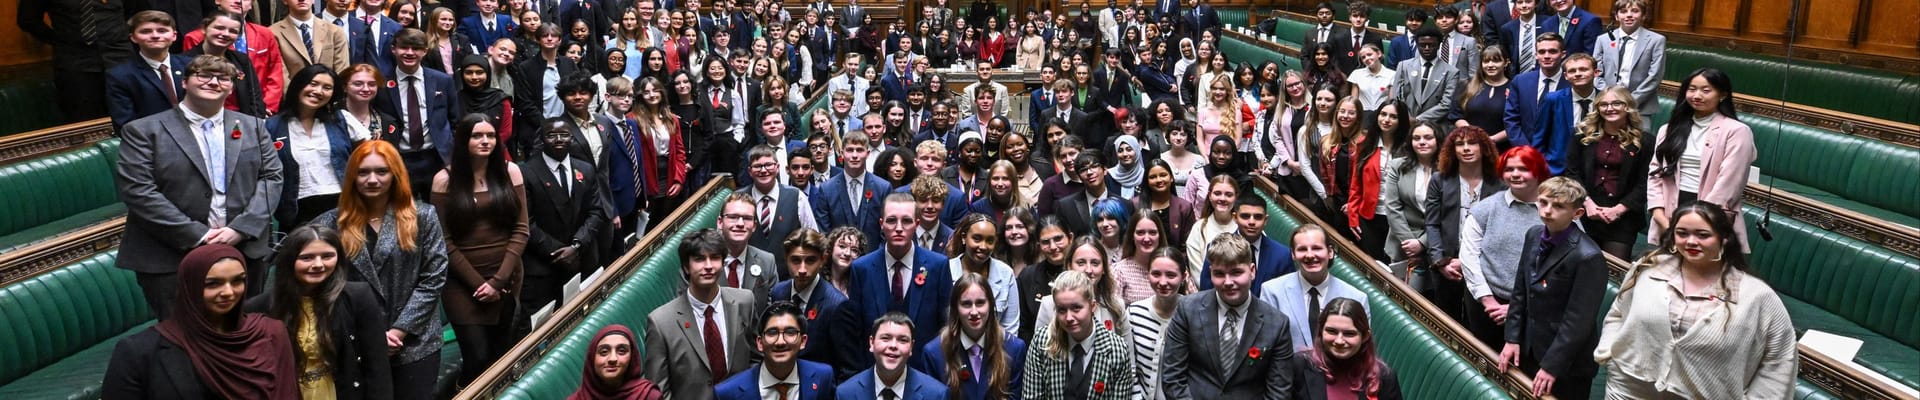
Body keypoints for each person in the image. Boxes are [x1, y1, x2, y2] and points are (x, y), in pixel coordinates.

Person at [116, 55, 285, 319]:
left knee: (245, 329)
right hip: (171, 255)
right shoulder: (143, 130)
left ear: (231, 87)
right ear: (184, 82)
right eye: (203, 75)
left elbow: (271, 178)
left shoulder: (253, 126)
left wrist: (241, 228)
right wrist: (200, 235)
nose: (213, 82)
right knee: (182, 340)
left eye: (223, 78)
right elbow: (138, 191)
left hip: (244, 248)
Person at [1595, 202, 1797, 398]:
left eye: (1703, 235)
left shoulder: (1756, 296)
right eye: (1682, 233)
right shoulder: (1648, 268)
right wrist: (1609, 353)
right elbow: (1618, 313)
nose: (1691, 241)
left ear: (1724, 238)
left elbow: (1779, 359)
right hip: (1628, 389)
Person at [313, 140, 450, 400]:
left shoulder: (424, 216)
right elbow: (323, 286)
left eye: (381, 172)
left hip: (414, 342)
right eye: (363, 172)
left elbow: (433, 279)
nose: (372, 179)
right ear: (352, 176)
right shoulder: (329, 223)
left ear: (395, 174)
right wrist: (374, 337)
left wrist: (399, 331)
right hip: (357, 344)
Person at [101, 244, 300, 400]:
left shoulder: (271, 332)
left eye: (237, 281)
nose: (229, 292)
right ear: (190, 287)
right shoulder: (138, 352)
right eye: (213, 284)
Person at [429, 113, 529, 386]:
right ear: (463, 140)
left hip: (505, 276)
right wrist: (480, 284)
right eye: (477, 135)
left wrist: (498, 281)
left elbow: (521, 230)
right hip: (463, 283)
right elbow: (443, 240)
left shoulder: (511, 171)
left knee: (501, 354)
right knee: (476, 356)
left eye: (490, 135)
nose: (485, 141)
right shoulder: (444, 179)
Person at [1490, 176, 1606, 399]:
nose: (1547, 210)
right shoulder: (1533, 234)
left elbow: (1577, 322)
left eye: (1559, 206)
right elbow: (1520, 291)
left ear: (1578, 213)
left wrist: (1553, 365)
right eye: (1543, 202)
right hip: (1529, 347)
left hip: (1567, 362)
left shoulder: (1588, 256)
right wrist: (1512, 337)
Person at [247, 226, 394, 399]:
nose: (318, 265)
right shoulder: (260, 306)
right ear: (289, 260)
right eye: (307, 258)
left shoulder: (358, 297)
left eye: (327, 256)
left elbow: (377, 368)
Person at [1161, 233, 1294, 399]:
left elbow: (1279, 392)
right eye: (1219, 274)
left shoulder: (1276, 324)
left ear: (1252, 271)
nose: (1228, 281)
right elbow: (1173, 378)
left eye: (1236, 272)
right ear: (1210, 273)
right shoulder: (1188, 309)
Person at [841, 193, 955, 372]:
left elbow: (945, 326)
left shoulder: (937, 266)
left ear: (917, 225)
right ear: (881, 224)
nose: (899, 228)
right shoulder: (861, 269)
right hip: (875, 372)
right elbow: (856, 330)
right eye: (892, 220)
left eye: (907, 221)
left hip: (924, 373)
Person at [1647, 68, 1756, 251]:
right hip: (1670, 210)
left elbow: (1729, 184)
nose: (1697, 95)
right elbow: (1655, 174)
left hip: (1711, 215)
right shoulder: (1668, 129)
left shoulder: (1737, 131)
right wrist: (1660, 217)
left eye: (1706, 90)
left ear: (1722, 95)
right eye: (1692, 89)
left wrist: (1693, 225)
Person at [641, 229, 757, 400]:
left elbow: (757, 358)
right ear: (686, 267)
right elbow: (658, 391)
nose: (708, 266)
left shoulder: (745, 301)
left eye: (715, 258)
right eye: (699, 259)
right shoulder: (661, 322)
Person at [1459, 146, 1549, 347]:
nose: (1515, 174)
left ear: (1538, 171)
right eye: (1509, 169)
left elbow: (1565, 267)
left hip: (1537, 309)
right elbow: (1469, 257)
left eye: (1524, 168)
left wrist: (1520, 308)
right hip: (1487, 306)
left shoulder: (1556, 210)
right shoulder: (1485, 208)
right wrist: (1488, 301)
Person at [522, 119, 607, 320]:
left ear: (572, 138)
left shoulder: (585, 168)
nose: (559, 139)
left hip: (582, 259)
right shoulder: (526, 172)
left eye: (564, 134)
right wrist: (559, 252)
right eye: (552, 135)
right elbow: (526, 221)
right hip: (543, 267)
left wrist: (576, 246)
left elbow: (596, 211)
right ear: (542, 139)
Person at [1419, 126, 1502, 321]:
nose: (1466, 148)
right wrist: (1440, 262)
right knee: (1446, 322)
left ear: (1484, 148)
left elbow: (1498, 231)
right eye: (1460, 144)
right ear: (1452, 150)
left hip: (1484, 266)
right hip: (1447, 265)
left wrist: (1467, 263)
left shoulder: (1498, 183)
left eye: (1472, 143)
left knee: (1479, 325)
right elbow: (1431, 224)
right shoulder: (1439, 180)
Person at [1565, 87, 1654, 260]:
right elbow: (1571, 173)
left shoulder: (1645, 141)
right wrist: (1587, 203)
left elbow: (1646, 183)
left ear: (1627, 106)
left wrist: (1618, 210)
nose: (1610, 108)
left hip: (1623, 217)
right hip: (1585, 211)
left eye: (1616, 103)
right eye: (1604, 104)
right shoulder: (1582, 136)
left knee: (1613, 271)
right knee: (1579, 265)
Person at [1021, 271, 1137, 400]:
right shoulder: (1042, 342)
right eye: (1062, 310)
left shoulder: (1117, 350)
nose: (1069, 318)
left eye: (1076, 308)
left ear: (1093, 306)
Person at [912, 274, 1029, 400]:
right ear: (956, 308)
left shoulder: (1014, 349)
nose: (974, 312)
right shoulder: (934, 353)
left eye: (980, 303)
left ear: (990, 305)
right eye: (966, 304)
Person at [269, 64, 358, 231]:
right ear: (299, 85)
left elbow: (369, 152)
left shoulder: (341, 119)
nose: (318, 91)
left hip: (341, 205)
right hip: (295, 210)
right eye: (313, 83)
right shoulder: (272, 126)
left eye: (327, 87)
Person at [380, 29, 463, 198]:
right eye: (404, 47)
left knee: (440, 212)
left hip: (436, 157)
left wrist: (452, 156)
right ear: (393, 49)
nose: (410, 53)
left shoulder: (442, 80)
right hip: (399, 159)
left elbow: (455, 121)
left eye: (416, 48)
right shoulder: (381, 83)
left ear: (425, 51)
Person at [1259, 224, 1369, 350]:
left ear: (1330, 252)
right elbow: (1267, 343)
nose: (1310, 255)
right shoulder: (1272, 291)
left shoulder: (1356, 298)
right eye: (1302, 249)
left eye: (1317, 248)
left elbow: (1361, 349)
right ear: (1293, 254)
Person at [713, 301, 840, 400]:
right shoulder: (728, 393)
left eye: (790, 332)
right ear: (759, 343)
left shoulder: (823, 377)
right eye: (772, 333)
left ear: (803, 341)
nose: (780, 342)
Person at [1288, 297, 1403, 399]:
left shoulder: (1384, 377)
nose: (1339, 341)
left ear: (1365, 336)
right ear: (1321, 332)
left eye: (1349, 334)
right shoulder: (1298, 366)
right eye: (1331, 331)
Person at [838, 312, 951, 400]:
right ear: (871, 343)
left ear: (911, 347)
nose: (893, 345)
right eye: (885, 338)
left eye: (902, 340)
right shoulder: (846, 394)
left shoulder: (936, 395)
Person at [108, 11, 189, 130]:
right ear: (133, 38)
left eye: (162, 30)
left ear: (174, 35)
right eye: (145, 31)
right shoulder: (120, 75)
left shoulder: (191, 65)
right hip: (152, 142)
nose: (155, 35)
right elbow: (125, 124)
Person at [1125, 248, 1189, 400]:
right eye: (1156, 274)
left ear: (1184, 277)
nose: (1162, 282)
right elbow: (1130, 367)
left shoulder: (1193, 314)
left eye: (1171, 275)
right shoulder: (1134, 313)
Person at [182, 12, 272, 118]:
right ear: (204, 29)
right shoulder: (184, 61)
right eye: (219, 28)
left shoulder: (241, 60)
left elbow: (255, 97)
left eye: (233, 31)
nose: (225, 34)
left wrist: (254, 125)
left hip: (241, 122)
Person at [1593, 0, 1666, 130]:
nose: (1629, 15)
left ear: (1643, 15)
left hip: (1640, 107)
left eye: (1635, 11)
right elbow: (1596, 73)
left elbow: (1654, 76)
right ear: (1616, 16)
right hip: (1608, 106)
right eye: (1623, 11)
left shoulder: (1656, 40)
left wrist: (1630, 102)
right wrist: (1610, 98)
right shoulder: (1603, 40)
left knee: (1639, 145)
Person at [946, 214, 1023, 334]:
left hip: (995, 349)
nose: (983, 246)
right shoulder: (946, 270)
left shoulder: (1005, 274)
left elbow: (1010, 330)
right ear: (964, 237)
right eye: (977, 238)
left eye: (990, 241)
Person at [814, 132, 892, 241]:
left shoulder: (883, 188)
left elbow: (887, 230)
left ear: (868, 153)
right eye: (850, 150)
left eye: (859, 150)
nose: (854, 155)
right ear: (842, 153)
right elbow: (824, 233)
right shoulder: (827, 189)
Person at [1530, 53, 1598, 175]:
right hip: (1558, 169)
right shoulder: (1553, 100)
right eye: (1572, 71)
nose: (1577, 73)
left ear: (1596, 72)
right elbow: (1539, 137)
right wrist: (1542, 168)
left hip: (1596, 170)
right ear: (1566, 76)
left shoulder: (1604, 100)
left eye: (1583, 69)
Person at [1382, 122, 1438, 269]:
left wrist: (1422, 243)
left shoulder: (1448, 170)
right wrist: (1410, 243)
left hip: (1437, 244)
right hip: (1402, 244)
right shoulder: (1397, 166)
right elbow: (1392, 207)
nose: (1422, 142)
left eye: (1428, 137)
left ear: (1438, 140)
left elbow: (1448, 213)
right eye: (1417, 138)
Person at [716, 192, 782, 309]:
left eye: (747, 218)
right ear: (720, 222)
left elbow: (773, 311)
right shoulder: (701, 262)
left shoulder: (767, 261)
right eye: (733, 217)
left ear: (754, 226)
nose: (740, 224)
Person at [1503, 31, 1565, 157]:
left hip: (1562, 156)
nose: (1546, 56)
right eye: (1542, 52)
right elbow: (1511, 119)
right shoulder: (1521, 81)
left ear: (1563, 54)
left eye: (1552, 51)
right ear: (1536, 55)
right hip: (1526, 153)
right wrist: (1528, 151)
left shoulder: (1571, 82)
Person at [568, 324, 664, 400]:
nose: (613, 359)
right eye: (604, 352)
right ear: (591, 358)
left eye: (621, 351)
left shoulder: (649, 396)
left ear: (632, 357)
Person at [1391, 26, 1460, 125]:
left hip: (1434, 125)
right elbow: (1396, 96)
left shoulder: (1451, 72)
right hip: (1405, 122)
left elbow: (1446, 104)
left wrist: (1418, 120)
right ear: (1417, 44)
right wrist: (1406, 117)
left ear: (1439, 45)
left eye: (1431, 45)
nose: (1427, 48)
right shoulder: (1403, 66)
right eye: (1422, 45)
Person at [1451, 46, 1512, 148]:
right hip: (1469, 144)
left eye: (1496, 61)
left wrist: (1492, 139)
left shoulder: (1515, 88)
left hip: (1503, 147)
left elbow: (1519, 121)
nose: (1490, 65)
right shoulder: (1467, 86)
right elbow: (1456, 115)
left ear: (1506, 62)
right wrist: (1475, 135)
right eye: (1486, 61)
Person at [458, 55, 517, 158]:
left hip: (497, 154)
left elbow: (506, 132)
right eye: (469, 72)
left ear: (488, 73)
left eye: (480, 72)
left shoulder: (501, 99)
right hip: (464, 155)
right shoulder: (455, 99)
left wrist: (486, 146)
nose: (474, 77)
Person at [275, 0, 351, 78]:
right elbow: (280, 74)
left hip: (329, 88)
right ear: (285, 1)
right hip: (292, 88)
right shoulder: (274, 33)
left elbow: (342, 72)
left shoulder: (335, 31)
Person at [1498, 0, 1548, 74]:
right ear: (1515, 5)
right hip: (1517, 75)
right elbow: (1506, 54)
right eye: (1520, 2)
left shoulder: (1547, 23)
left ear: (1536, 4)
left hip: (1544, 72)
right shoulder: (1507, 28)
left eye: (1528, 2)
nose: (1524, 5)